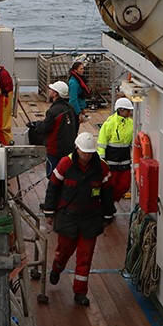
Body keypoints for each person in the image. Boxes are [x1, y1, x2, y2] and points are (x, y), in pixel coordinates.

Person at [43, 131, 112, 306]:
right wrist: (49, 212)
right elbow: (53, 187)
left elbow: (107, 193)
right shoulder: (65, 164)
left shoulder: (101, 168)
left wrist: (108, 214)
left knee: (85, 256)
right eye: (84, 152)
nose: (87, 156)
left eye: (89, 152)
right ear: (77, 149)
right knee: (64, 251)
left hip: (90, 218)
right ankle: (57, 267)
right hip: (68, 217)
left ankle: (80, 292)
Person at [97, 97, 135, 221]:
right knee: (109, 188)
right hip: (111, 163)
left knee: (124, 185)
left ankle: (110, 203)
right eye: (128, 111)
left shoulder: (131, 123)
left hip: (125, 161)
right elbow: (102, 143)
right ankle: (107, 207)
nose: (130, 113)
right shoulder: (109, 124)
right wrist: (102, 162)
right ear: (120, 110)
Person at [33, 80, 77, 175]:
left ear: (55, 94)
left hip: (55, 151)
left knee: (53, 176)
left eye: (51, 89)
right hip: (69, 150)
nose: (49, 90)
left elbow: (45, 128)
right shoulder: (70, 108)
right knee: (66, 175)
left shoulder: (54, 111)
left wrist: (37, 124)